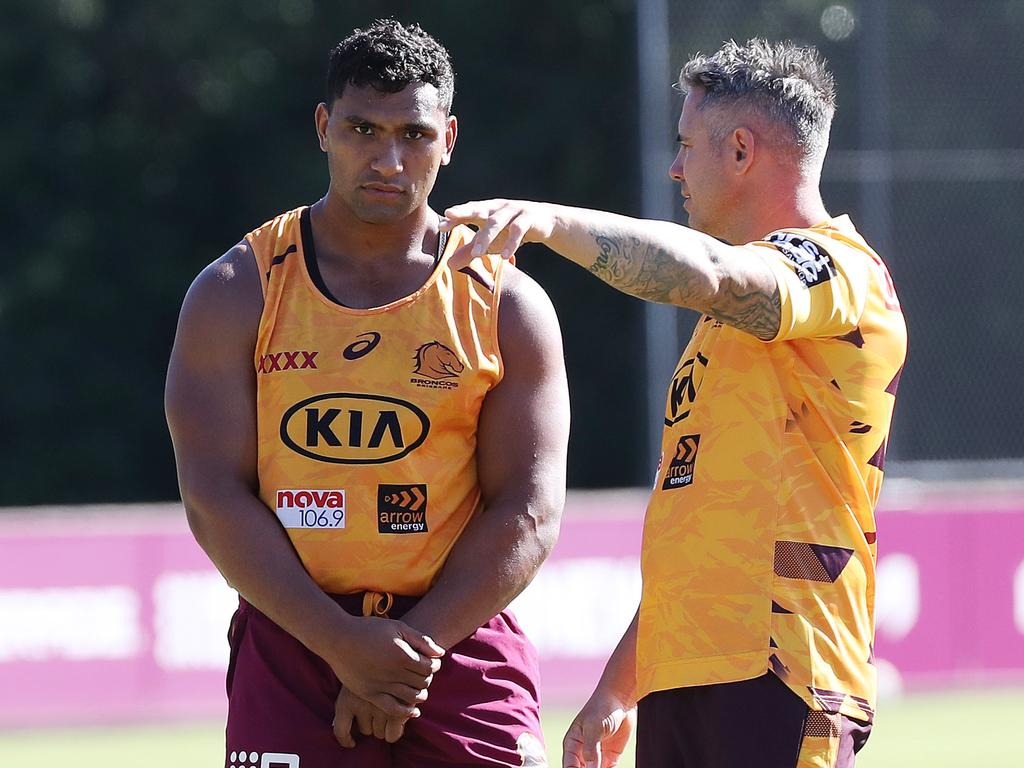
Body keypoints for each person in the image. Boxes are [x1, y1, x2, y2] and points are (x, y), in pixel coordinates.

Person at [444, 38, 907, 768]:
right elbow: (698, 534)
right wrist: (617, 689)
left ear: (742, 151)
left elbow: (718, 275)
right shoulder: (718, 334)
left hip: (782, 670)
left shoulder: (840, 271)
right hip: (683, 677)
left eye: (687, 144)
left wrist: (549, 221)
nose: (674, 166)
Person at [165, 19, 569, 768]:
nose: (387, 159)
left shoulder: (507, 303)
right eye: (361, 128)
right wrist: (340, 643)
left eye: (413, 134)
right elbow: (214, 494)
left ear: (448, 138)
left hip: (459, 641)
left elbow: (530, 507)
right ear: (324, 127)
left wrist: (399, 658)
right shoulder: (236, 290)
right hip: (294, 643)